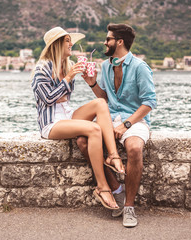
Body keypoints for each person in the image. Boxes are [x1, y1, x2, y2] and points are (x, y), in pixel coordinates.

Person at [31, 27, 126, 210]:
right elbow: (49, 99)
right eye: (67, 41)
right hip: (51, 123)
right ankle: (102, 186)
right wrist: (68, 78)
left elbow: (64, 98)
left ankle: (113, 156)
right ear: (57, 44)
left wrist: (90, 81)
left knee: (100, 103)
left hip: (66, 115)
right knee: (94, 129)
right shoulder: (41, 69)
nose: (71, 44)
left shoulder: (66, 66)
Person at [79, 23, 157, 227]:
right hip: (110, 117)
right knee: (83, 141)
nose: (105, 43)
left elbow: (149, 102)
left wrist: (126, 124)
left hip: (134, 119)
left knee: (134, 148)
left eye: (108, 39)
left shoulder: (141, 67)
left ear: (119, 42)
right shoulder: (105, 66)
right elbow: (105, 99)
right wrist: (92, 83)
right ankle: (117, 191)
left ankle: (129, 207)